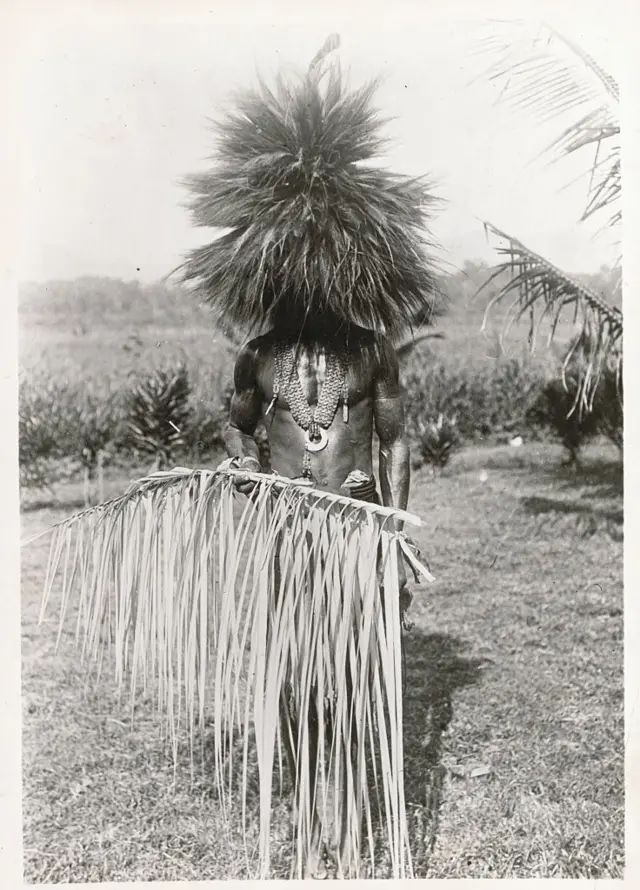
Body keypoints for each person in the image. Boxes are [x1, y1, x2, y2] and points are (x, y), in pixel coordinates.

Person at [179, 40, 438, 878]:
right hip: (288, 535)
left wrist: (395, 528)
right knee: (294, 663)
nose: (311, 291)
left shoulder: (372, 353)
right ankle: (306, 789)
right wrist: (252, 479)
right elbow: (233, 426)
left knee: (363, 667)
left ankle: (361, 802)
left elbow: (396, 439)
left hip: (359, 529)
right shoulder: (256, 357)